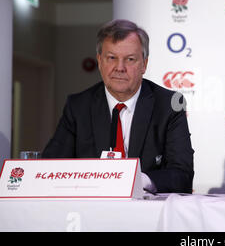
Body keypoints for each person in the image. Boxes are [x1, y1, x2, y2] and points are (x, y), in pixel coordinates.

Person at [42, 19, 194, 193]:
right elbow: (50, 166)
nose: (119, 68)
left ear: (144, 64)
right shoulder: (78, 106)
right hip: (89, 209)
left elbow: (182, 174)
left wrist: (136, 180)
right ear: (100, 61)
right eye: (112, 58)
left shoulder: (169, 105)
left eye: (130, 59)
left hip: (146, 212)